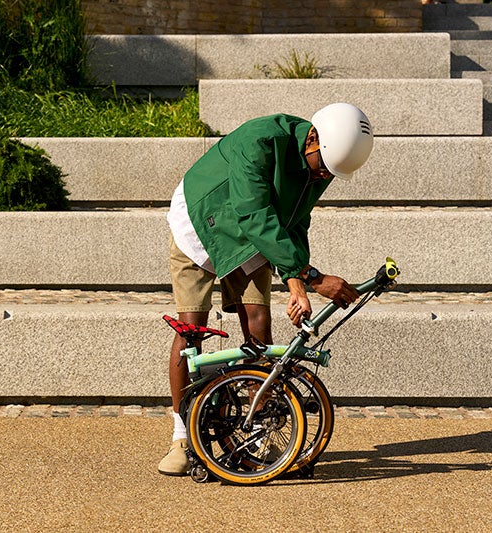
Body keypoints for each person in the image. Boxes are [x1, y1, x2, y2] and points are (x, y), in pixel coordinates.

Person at [158, 102, 374, 476]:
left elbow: (293, 223)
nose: (324, 176)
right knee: (191, 328)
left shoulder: (320, 164)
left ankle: (255, 430)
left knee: (258, 324)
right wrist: (314, 279)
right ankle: (181, 436)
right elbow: (254, 212)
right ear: (312, 139)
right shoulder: (260, 140)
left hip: (252, 233)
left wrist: (298, 287)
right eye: (323, 167)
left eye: (331, 174)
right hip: (201, 218)